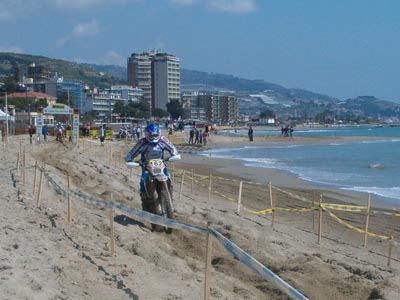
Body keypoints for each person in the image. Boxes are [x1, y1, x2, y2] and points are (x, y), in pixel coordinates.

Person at [125, 123, 180, 214]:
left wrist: (174, 155)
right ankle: (145, 204)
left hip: (160, 165)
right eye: (151, 135)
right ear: (147, 134)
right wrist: (129, 160)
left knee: (168, 176)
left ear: (158, 133)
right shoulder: (142, 142)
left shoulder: (163, 139)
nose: (153, 137)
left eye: (155, 135)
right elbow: (132, 153)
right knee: (143, 181)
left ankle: (170, 201)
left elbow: (172, 148)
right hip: (147, 166)